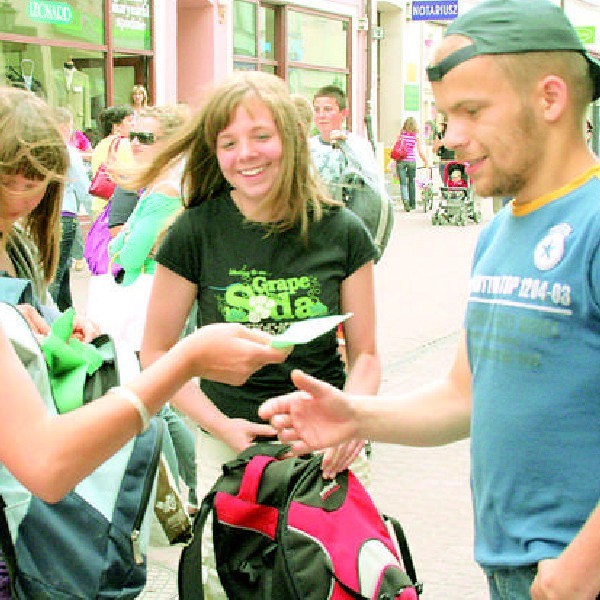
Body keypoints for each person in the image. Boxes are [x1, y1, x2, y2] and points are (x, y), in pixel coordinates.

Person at [260, 1, 600, 599]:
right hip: (517, 570)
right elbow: (463, 397)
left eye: (471, 111)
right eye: (446, 116)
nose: (450, 139)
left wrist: (581, 567)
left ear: (550, 99)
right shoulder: (498, 232)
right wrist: (358, 416)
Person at [138, 71, 380, 598]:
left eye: (261, 136)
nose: (246, 154)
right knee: (234, 584)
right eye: (228, 142)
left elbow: (366, 357)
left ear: (292, 140)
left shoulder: (342, 231)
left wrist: (352, 420)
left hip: (324, 447)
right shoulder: (194, 231)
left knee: (328, 584)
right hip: (223, 449)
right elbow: (155, 352)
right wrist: (222, 426)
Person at [0, 82, 289, 507]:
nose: (21, 198)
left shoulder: (21, 246)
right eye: (10, 181)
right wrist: (185, 362)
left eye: (35, 184)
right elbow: (45, 464)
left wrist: (57, 332)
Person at [108, 104, 198, 510]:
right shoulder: (176, 183)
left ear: (171, 143)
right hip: (167, 302)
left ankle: (181, 496)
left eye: (146, 137)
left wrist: (118, 245)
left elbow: (125, 264)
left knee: (160, 402)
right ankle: (187, 494)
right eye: (133, 135)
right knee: (167, 397)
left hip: (147, 304)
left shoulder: (163, 191)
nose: (135, 144)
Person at [309, 84, 387, 208]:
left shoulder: (358, 145)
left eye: (328, 109)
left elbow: (374, 184)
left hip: (347, 216)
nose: (321, 115)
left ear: (343, 113)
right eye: (317, 110)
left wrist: (346, 147)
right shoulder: (308, 147)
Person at [48, 107, 92, 311]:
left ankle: (66, 314)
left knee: (62, 271)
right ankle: (51, 316)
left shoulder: (44, 150)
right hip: (66, 214)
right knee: (56, 275)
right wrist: (95, 215)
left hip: (50, 214)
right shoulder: (68, 152)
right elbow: (83, 186)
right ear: (64, 126)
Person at [90, 105, 134, 220]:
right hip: (115, 207)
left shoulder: (100, 145)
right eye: (129, 121)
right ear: (116, 126)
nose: (132, 125)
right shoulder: (123, 144)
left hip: (99, 204)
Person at [390, 117, 429, 212]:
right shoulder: (416, 136)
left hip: (401, 161)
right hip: (412, 161)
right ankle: (412, 203)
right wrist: (425, 161)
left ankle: (406, 202)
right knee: (411, 181)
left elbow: (396, 147)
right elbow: (420, 151)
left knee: (403, 183)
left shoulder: (400, 135)